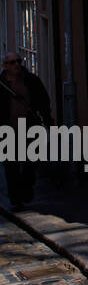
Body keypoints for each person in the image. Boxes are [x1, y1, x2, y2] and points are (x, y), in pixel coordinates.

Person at [0, 53, 51, 210]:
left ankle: (26, 187)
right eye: (12, 62)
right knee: (11, 166)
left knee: (31, 161)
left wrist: (47, 118)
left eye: (18, 61)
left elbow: (43, 100)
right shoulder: (0, 84)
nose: (16, 64)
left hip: (30, 127)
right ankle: (16, 199)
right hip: (7, 129)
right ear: (5, 66)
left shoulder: (31, 80)